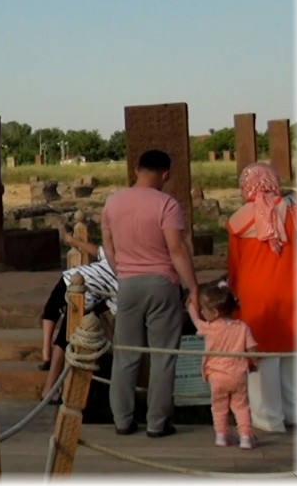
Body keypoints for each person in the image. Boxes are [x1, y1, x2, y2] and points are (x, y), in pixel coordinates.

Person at [102, 149, 200, 438]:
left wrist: (121, 270)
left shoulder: (112, 202)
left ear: (136, 168)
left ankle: (122, 419)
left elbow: (108, 247)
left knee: (126, 355)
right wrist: (193, 287)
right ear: (166, 174)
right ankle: (157, 423)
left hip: (128, 283)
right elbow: (177, 250)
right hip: (161, 283)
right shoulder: (167, 204)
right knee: (162, 356)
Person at [228, 162, 297, 433]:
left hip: (256, 297)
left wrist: (234, 295)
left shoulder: (238, 220)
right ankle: (296, 412)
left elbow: (234, 268)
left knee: (263, 360)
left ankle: (268, 418)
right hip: (293, 292)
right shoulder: (296, 214)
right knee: (294, 355)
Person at [38, 227, 118, 402]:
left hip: (71, 277)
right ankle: (49, 388)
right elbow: (112, 306)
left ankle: (46, 353)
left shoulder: (115, 254)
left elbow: (97, 251)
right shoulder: (126, 275)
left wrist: (72, 241)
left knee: (50, 312)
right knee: (64, 338)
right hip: (82, 294)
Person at [185, 281, 258, 449]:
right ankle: (246, 437)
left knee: (218, 407)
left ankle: (221, 435)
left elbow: (196, 320)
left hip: (216, 376)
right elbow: (253, 349)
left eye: (204, 309)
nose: (202, 312)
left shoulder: (209, 328)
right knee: (241, 407)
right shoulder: (242, 327)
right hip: (238, 375)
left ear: (215, 312)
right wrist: (254, 363)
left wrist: (191, 307)